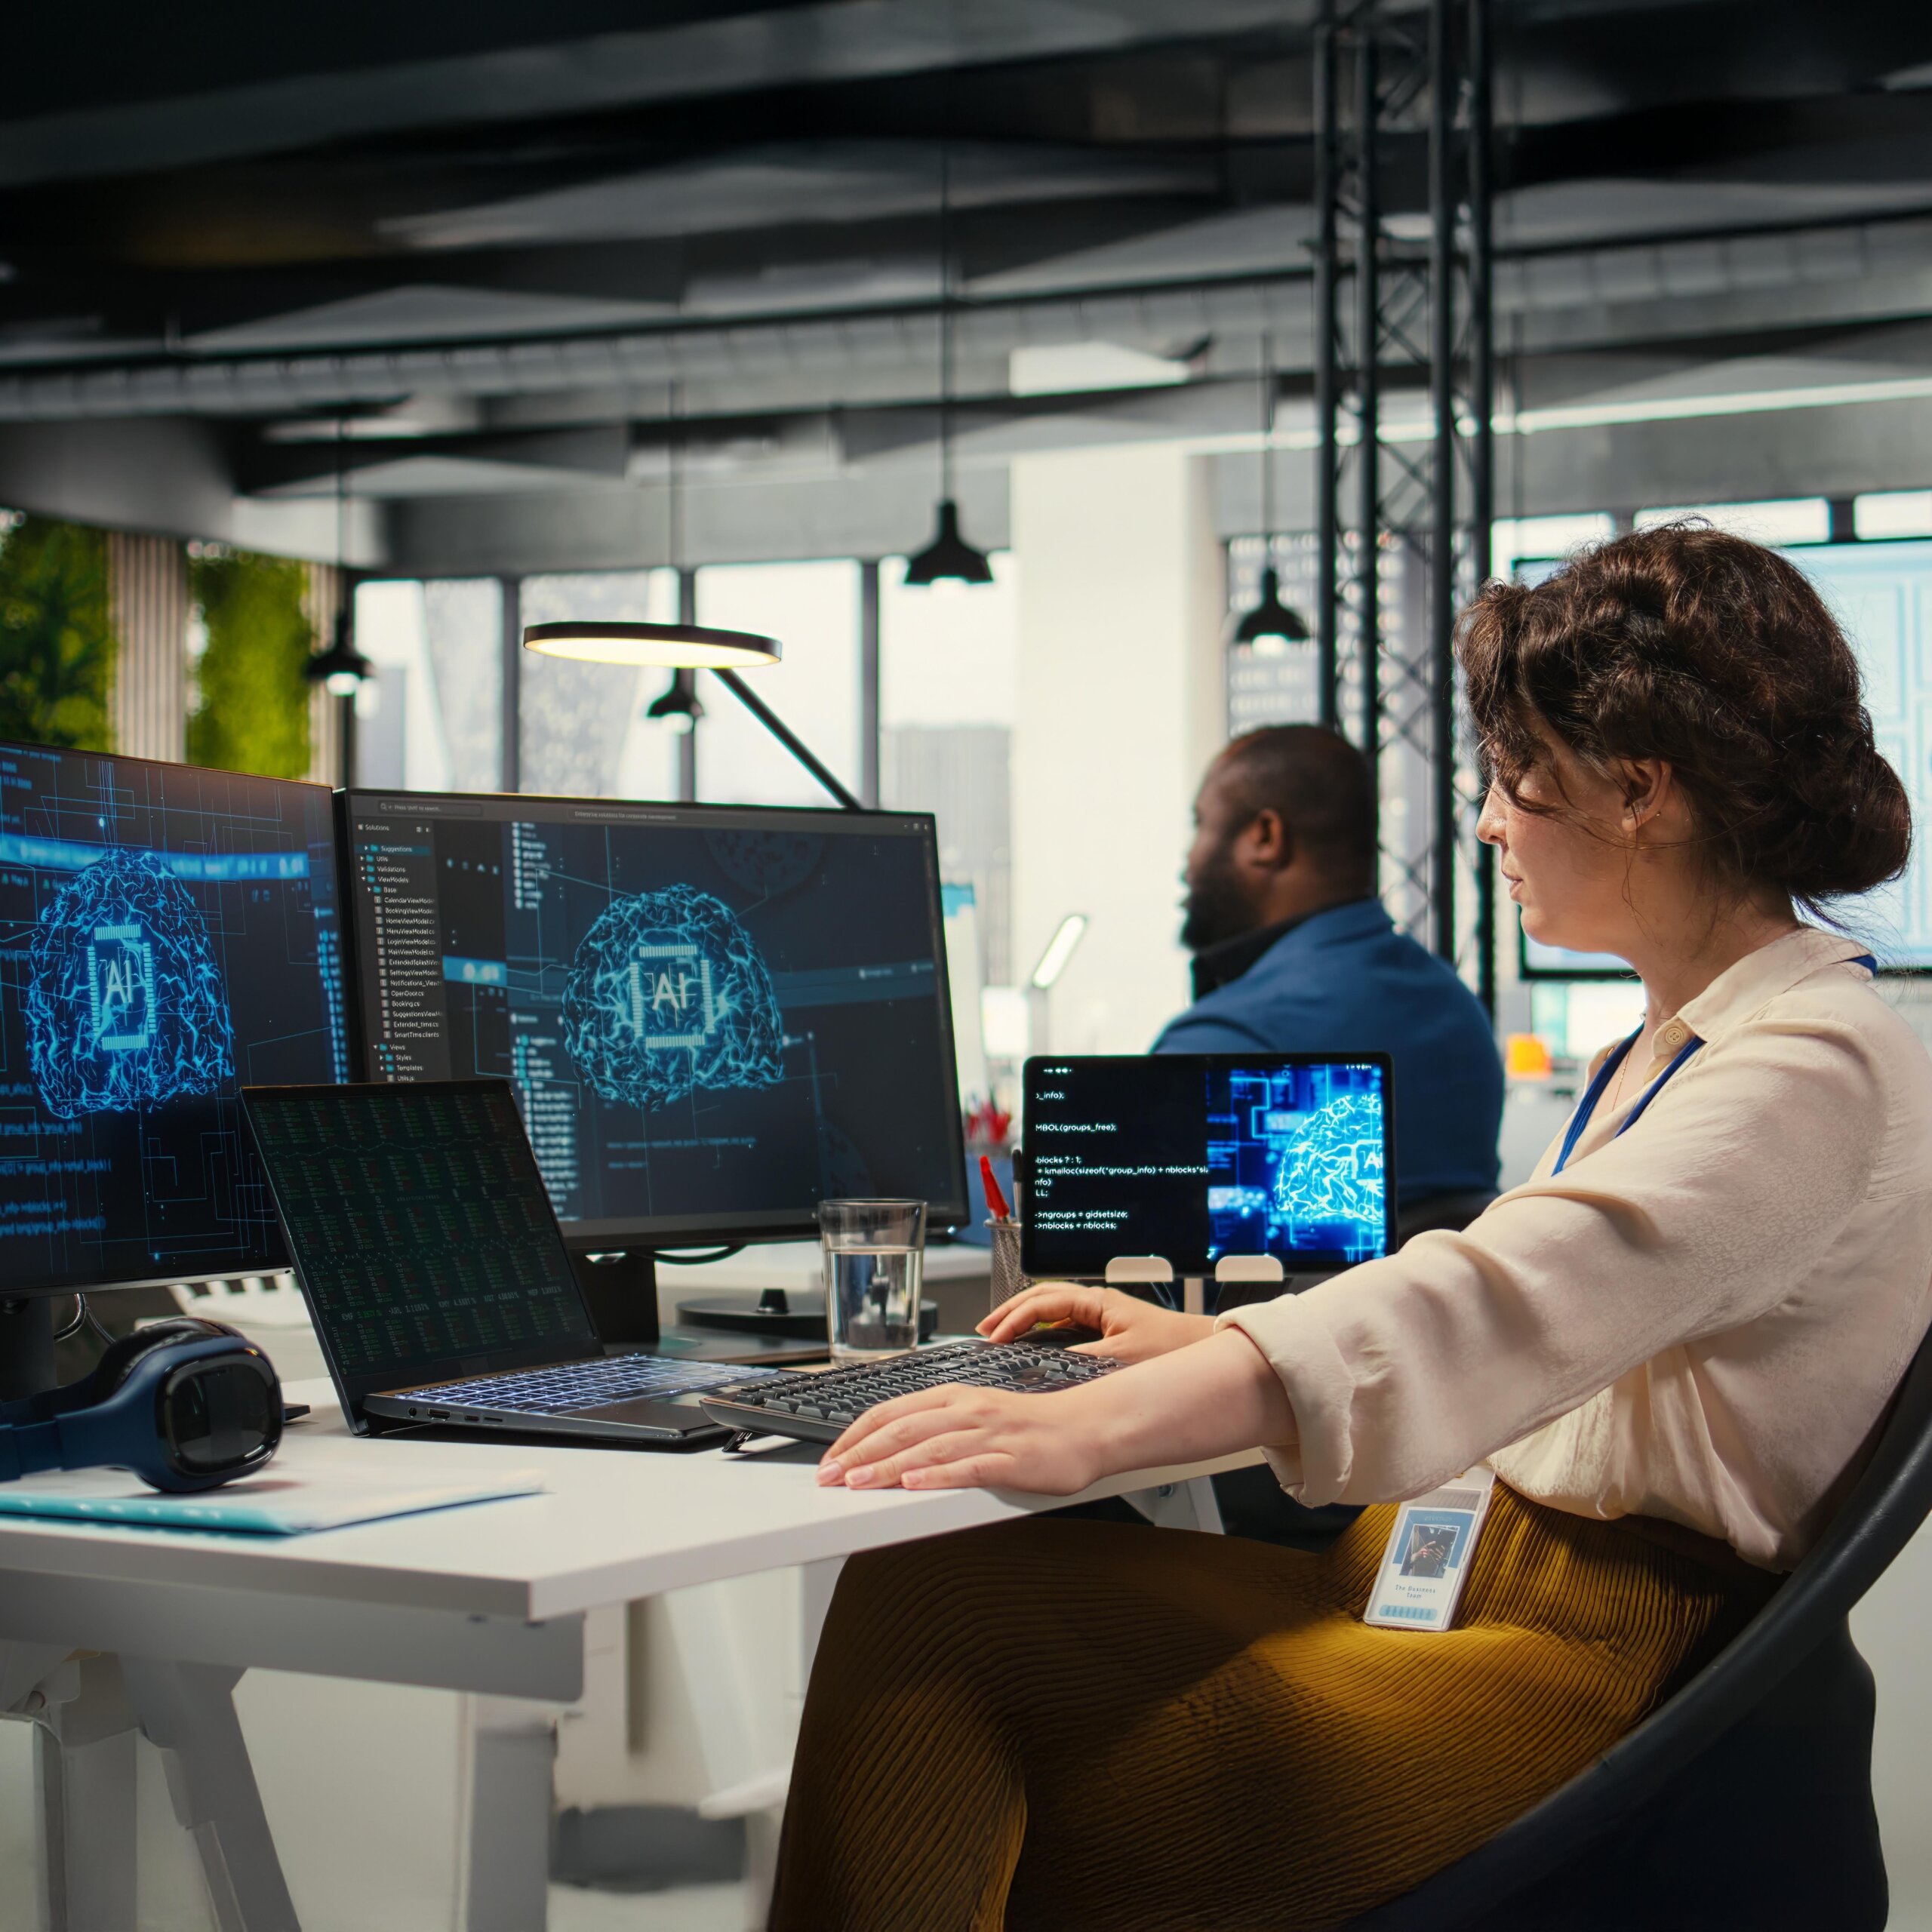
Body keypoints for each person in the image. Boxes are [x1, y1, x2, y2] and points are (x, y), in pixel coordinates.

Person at [768, 525, 1932, 1932]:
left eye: (1517, 783)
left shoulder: (1815, 1065)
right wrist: (1207, 1342)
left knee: (961, 1664)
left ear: (1641, 792)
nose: (1492, 825)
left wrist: (1083, 1428)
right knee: (941, 1592)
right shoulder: (1703, 1039)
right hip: (1449, 1578)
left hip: (1570, 1659)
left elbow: (1494, 1303)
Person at [1155, 724, 1503, 1225]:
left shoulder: (1222, 1043)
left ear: (1265, 837)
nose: (1187, 865)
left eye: (1200, 825)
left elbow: (1140, 1261)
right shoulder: (1457, 1009)